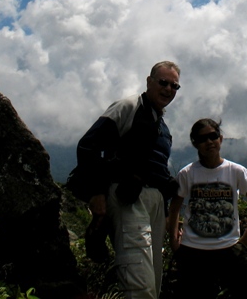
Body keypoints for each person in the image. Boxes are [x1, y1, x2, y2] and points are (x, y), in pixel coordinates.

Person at [71, 61, 181, 299]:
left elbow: (158, 167)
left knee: (153, 279)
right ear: (149, 82)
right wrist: (97, 193)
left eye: (174, 86)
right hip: (129, 198)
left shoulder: (162, 125)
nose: (168, 89)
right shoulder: (129, 107)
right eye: (163, 83)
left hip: (155, 204)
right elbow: (88, 146)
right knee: (138, 281)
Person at [167, 118, 247, 299]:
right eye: (202, 139)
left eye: (213, 136)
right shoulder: (187, 174)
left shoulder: (235, 171)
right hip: (193, 253)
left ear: (220, 139)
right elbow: (174, 209)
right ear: (195, 144)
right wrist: (174, 242)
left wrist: (243, 242)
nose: (209, 142)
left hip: (229, 250)